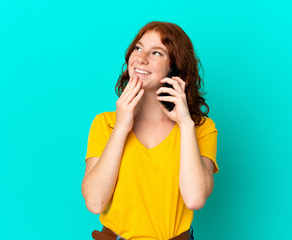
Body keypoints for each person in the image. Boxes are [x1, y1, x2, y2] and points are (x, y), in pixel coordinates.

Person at [81, 21, 219, 240]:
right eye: (138, 48)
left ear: (175, 67)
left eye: (156, 52)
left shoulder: (199, 129)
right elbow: (95, 202)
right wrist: (121, 129)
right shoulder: (105, 124)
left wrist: (185, 124)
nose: (141, 58)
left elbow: (195, 199)